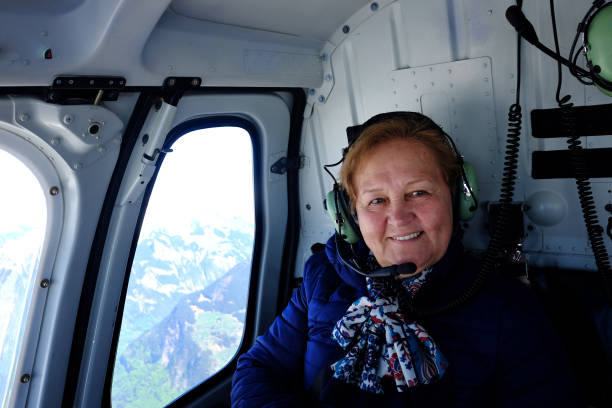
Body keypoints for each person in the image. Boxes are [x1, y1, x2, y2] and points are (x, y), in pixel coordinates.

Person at [231, 112, 582, 407]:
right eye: (376, 200)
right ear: (348, 216)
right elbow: (259, 367)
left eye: (418, 192)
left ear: (459, 199)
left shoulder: (508, 307)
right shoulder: (323, 276)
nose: (399, 218)